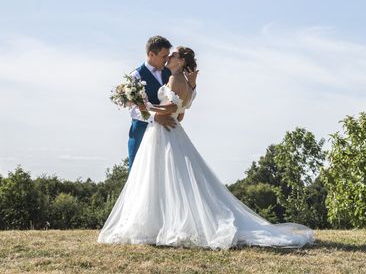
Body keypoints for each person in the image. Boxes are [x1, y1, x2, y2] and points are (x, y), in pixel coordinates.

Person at [98, 46, 314, 249]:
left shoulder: (173, 77)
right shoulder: (174, 78)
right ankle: (159, 223)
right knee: (164, 178)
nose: (168, 58)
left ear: (181, 61)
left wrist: (149, 107)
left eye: (172, 55)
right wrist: (159, 108)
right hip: (164, 130)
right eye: (167, 55)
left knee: (170, 178)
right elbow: (180, 112)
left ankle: (165, 225)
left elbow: (174, 108)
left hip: (165, 132)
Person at [127, 35, 198, 170]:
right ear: (151, 54)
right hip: (141, 133)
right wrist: (155, 116)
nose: (167, 59)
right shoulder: (135, 76)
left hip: (167, 133)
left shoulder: (171, 72)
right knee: (139, 175)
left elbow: (184, 97)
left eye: (168, 56)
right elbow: (133, 109)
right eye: (164, 56)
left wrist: (193, 85)